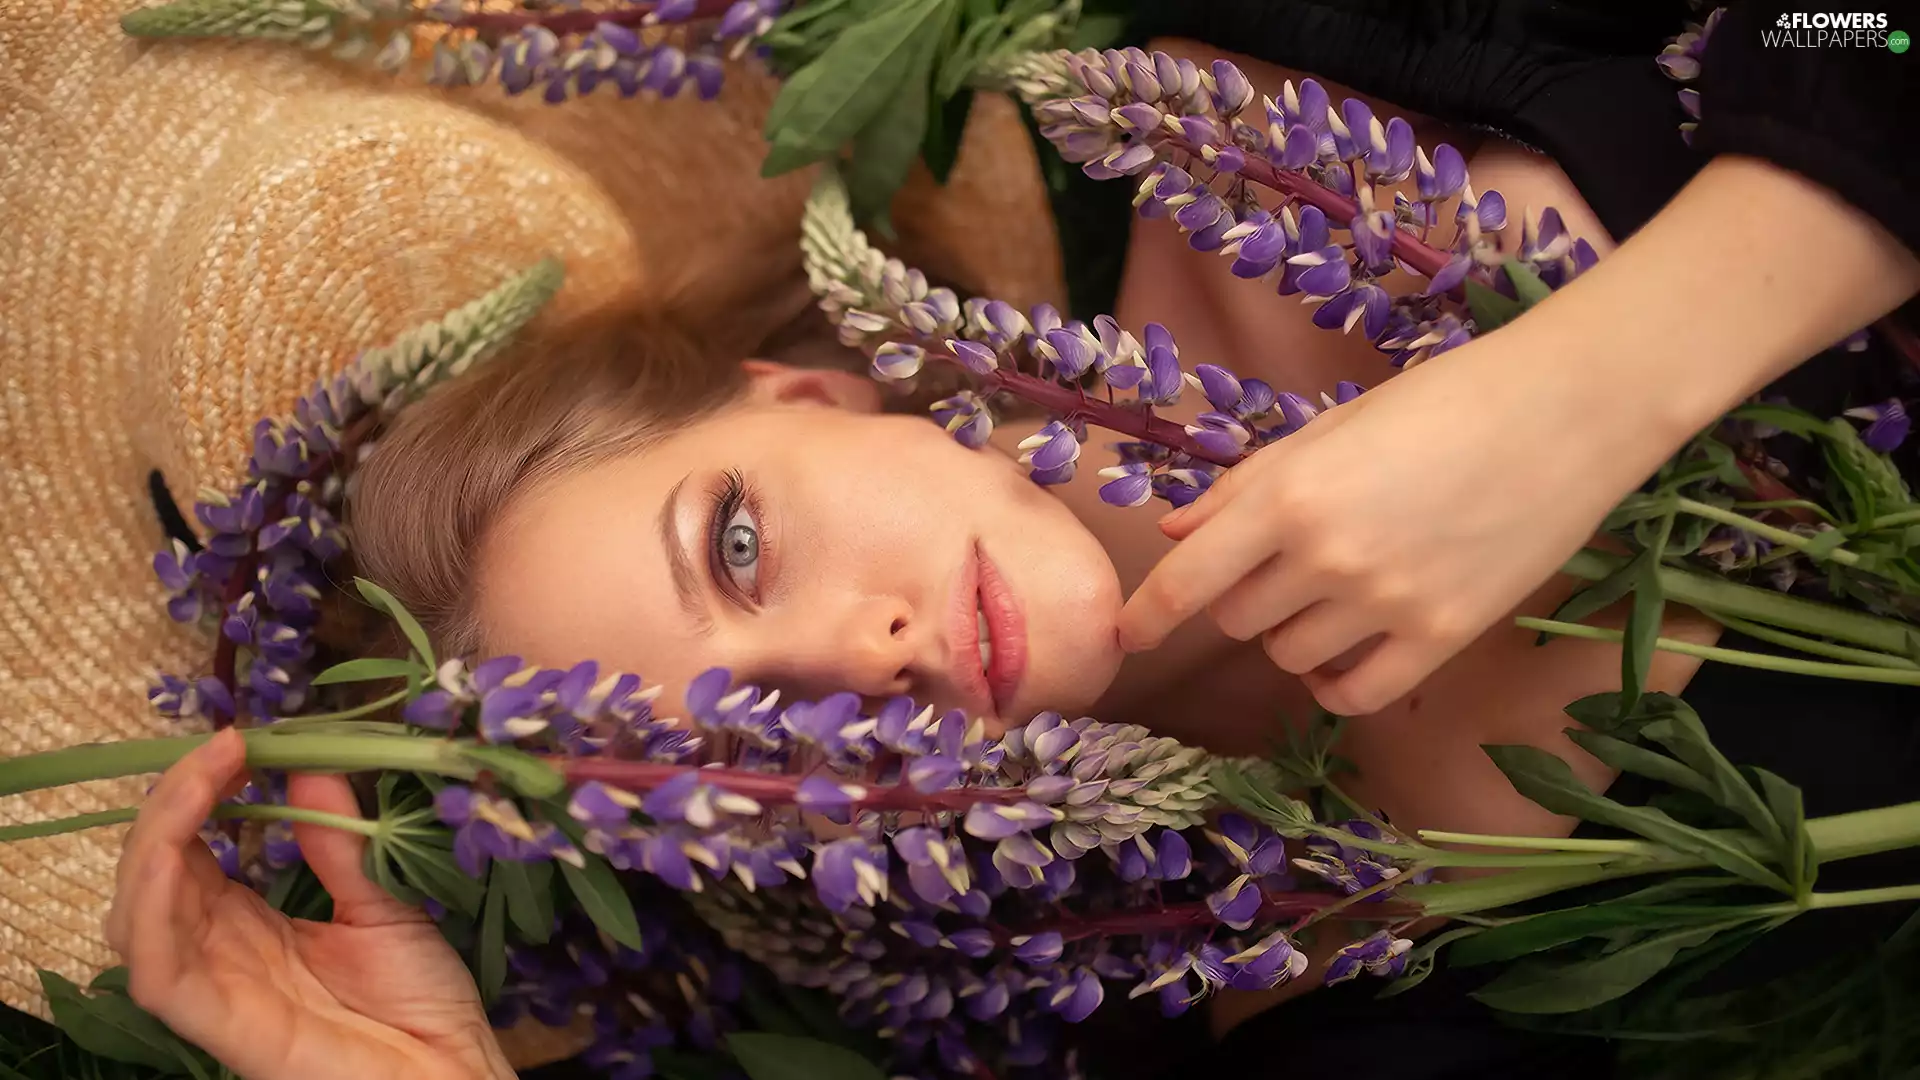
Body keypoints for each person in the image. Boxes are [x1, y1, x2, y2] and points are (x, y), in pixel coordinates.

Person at [106, 3, 1918, 1078]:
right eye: (750, 753)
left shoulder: (1270, 106)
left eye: (738, 549)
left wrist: (1589, 385)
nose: (863, 666)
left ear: (800, 397)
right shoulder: (1251, 973)